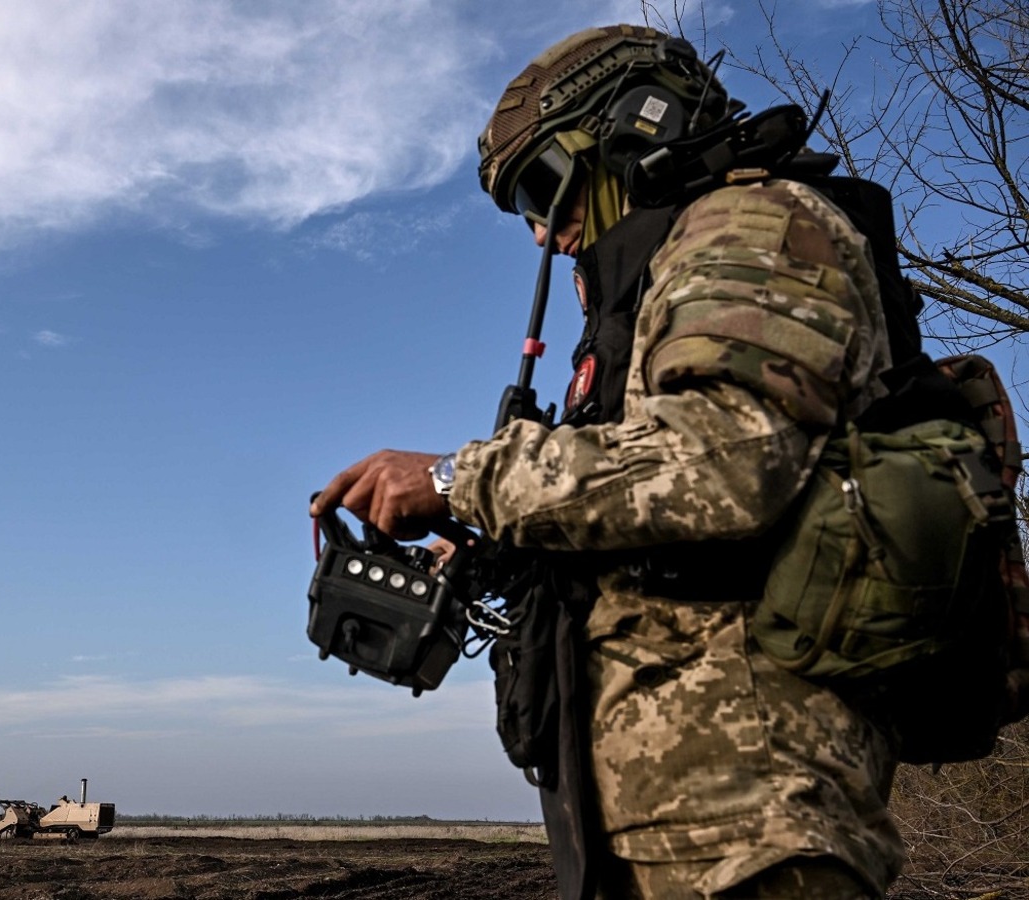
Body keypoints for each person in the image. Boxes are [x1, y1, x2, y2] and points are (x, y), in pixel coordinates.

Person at [311, 24, 906, 899]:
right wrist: (481, 546)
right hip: (661, 819)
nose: (541, 234)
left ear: (636, 127)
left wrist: (454, 479)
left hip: (750, 819)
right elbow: (643, 500)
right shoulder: (661, 278)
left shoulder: (757, 226)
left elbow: (725, 460)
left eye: (543, 189)